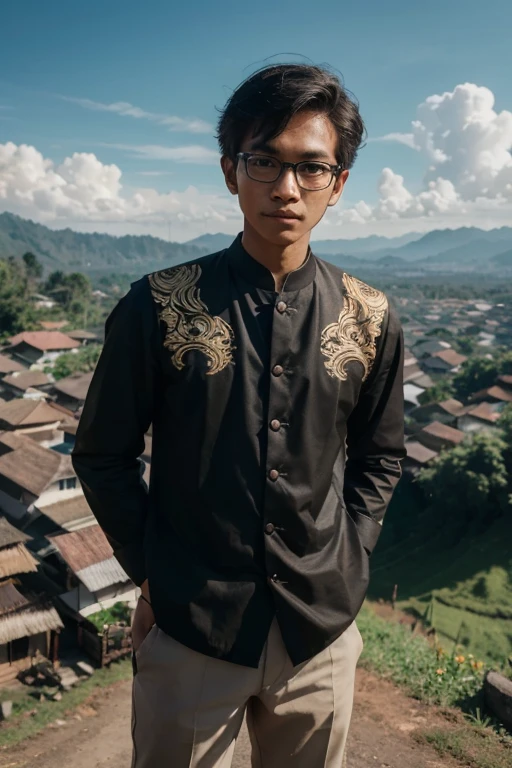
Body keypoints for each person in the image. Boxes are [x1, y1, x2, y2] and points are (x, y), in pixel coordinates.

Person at [72, 62, 405, 768]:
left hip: (320, 635)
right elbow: (102, 456)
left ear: (339, 184)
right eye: (265, 162)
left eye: (311, 168)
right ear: (232, 171)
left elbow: (380, 455)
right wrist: (153, 573)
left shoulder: (369, 317)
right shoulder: (159, 306)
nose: (287, 187)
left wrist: (352, 556)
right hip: (193, 631)